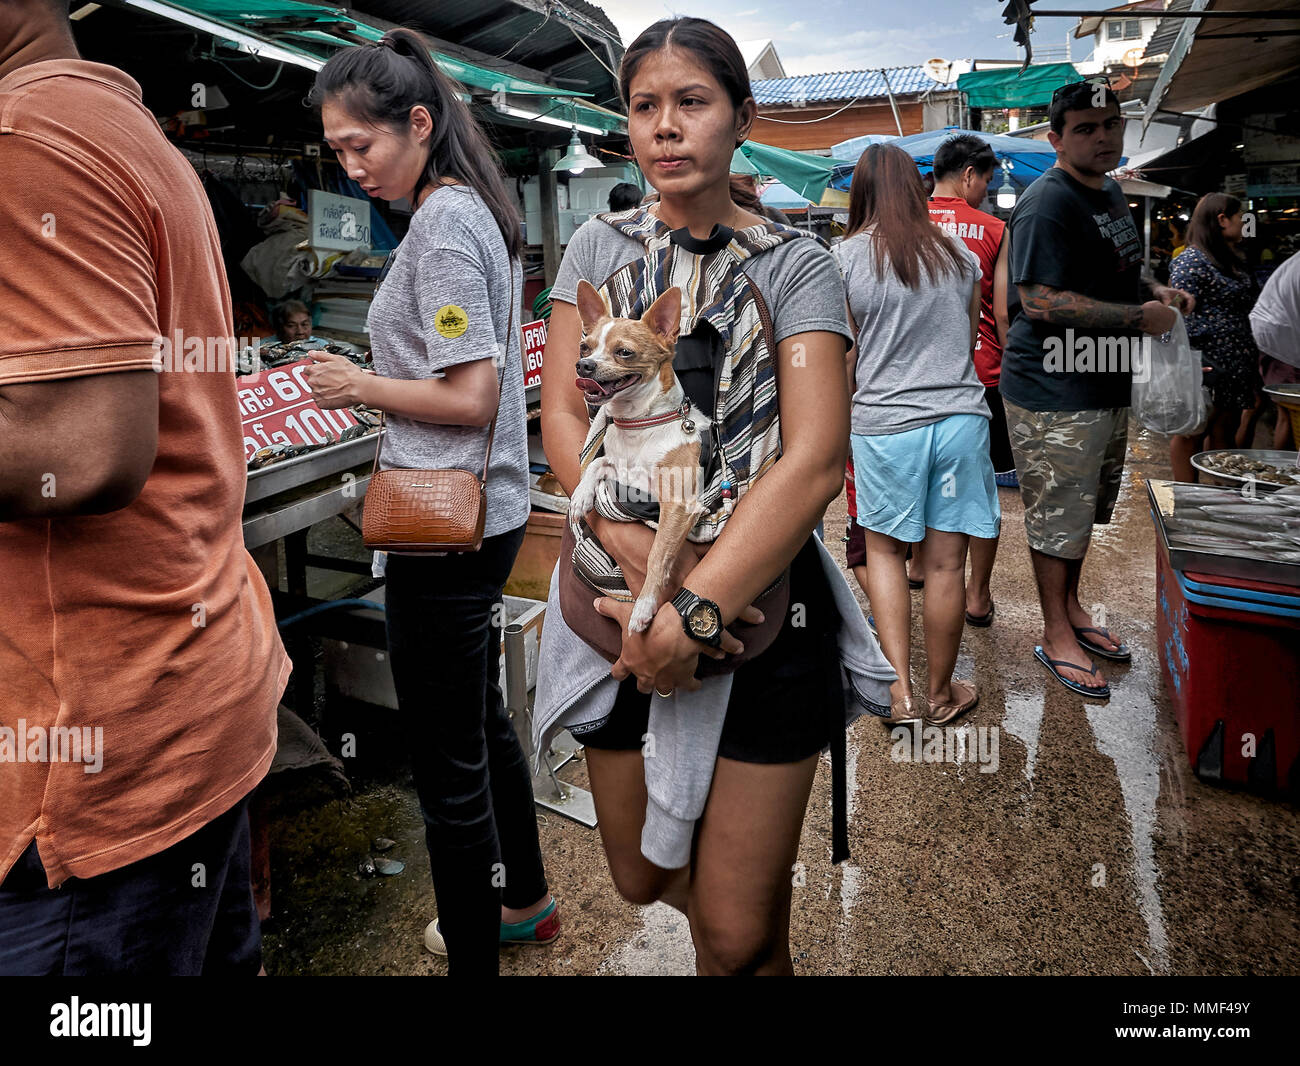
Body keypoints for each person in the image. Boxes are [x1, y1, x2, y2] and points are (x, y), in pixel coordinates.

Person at [536, 17, 891, 975]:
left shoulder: (796, 264)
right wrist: (631, 550)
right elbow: (567, 419)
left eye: (691, 102)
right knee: (638, 876)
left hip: (760, 609)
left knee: (733, 934)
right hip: (611, 591)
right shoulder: (593, 252)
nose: (665, 127)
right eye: (645, 106)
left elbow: (813, 460)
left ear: (740, 117)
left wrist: (691, 610)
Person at [0, 0, 290, 975]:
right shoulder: (128, 129)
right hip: (190, 707)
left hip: (94, 771)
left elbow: (85, 446)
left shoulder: (25, 135)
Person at [303, 28, 555, 977]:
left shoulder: (443, 226)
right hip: (476, 520)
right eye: (335, 152)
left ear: (417, 123)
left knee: (447, 770)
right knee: (481, 723)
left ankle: (476, 957)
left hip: (442, 531)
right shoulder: (462, 212)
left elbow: (470, 395)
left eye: (359, 145)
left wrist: (356, 384)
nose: (350, 166)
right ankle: (524, 901)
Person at [1000, 79, 1193, 698]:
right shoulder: (1045, 202)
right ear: (1055, 138)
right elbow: (1038, 300)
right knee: (1057, 514)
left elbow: (1116, 277)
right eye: (1085, 128)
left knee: (1086, 512)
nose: (1102, 137)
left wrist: (1154, 294)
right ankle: (1055, 632)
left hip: (1105, 378)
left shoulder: (1110, 191)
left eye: (1109, 125)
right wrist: (1140, 319)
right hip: (1053, 387)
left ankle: (1075, 608)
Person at [839, 143, 998, 725]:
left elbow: (847, 362)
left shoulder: (846, 259)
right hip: (960, 422)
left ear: (861, 192)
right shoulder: (960, 255)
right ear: (918, 187)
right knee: (945, 564)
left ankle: (899, 694)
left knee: (883, 554)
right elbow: (966, 338)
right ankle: (939, 693)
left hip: (884, 428)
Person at [928, 133, 1013, 627]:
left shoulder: (904, 224)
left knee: (923, 481)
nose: (984, 189)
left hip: (918, 378)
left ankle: (919, 566)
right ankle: (977, 596)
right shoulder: (994, 229)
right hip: (981, 377)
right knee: (981, 491)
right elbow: (1001, 313)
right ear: (967, 175)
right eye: (985, 179)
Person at [1169, 193, 1262, 479]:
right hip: (1205, 364)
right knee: (1192, 433)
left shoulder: (1231, 259)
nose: (1246, 222)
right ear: (1222, 220)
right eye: (1241, 217)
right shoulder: (1191, 261)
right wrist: (1183, 363)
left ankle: (1220, 500)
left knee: (1224, 429)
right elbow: (1174, 316)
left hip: (1234, 364)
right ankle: (1187, 501)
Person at [1251, 251, 1300, 450]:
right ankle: (1287, 476)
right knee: (1291, 410)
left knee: (1269, 407)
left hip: (1274, 334)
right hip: (1282, 342)